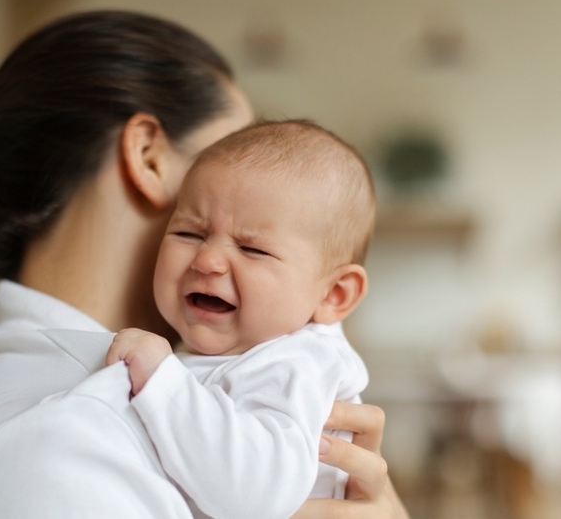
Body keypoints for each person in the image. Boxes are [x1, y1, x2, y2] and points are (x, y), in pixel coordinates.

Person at [0, 10, 408, 518]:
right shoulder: (72, 437)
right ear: (149, 157)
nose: (213, 258)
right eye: (228, 151)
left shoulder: (81, 402)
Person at [105, 120, 375, 518]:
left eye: (253, 249)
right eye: (189, 233)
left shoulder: (298, 364)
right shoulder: (249, 351)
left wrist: (163, 381)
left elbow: (254, 495)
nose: (207, 260)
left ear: (334, 294)